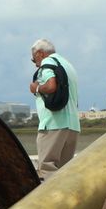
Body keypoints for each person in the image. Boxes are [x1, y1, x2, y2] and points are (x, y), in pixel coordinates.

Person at [28, 39, 79, 177]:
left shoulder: (48, 62)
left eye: (34, 60)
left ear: (40, 53)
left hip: (53, 123)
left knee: (47, 167)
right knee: (64, 172)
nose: (35, 64)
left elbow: (51, 86)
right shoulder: (67, 65)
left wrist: (36, 88)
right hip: (72, 125)